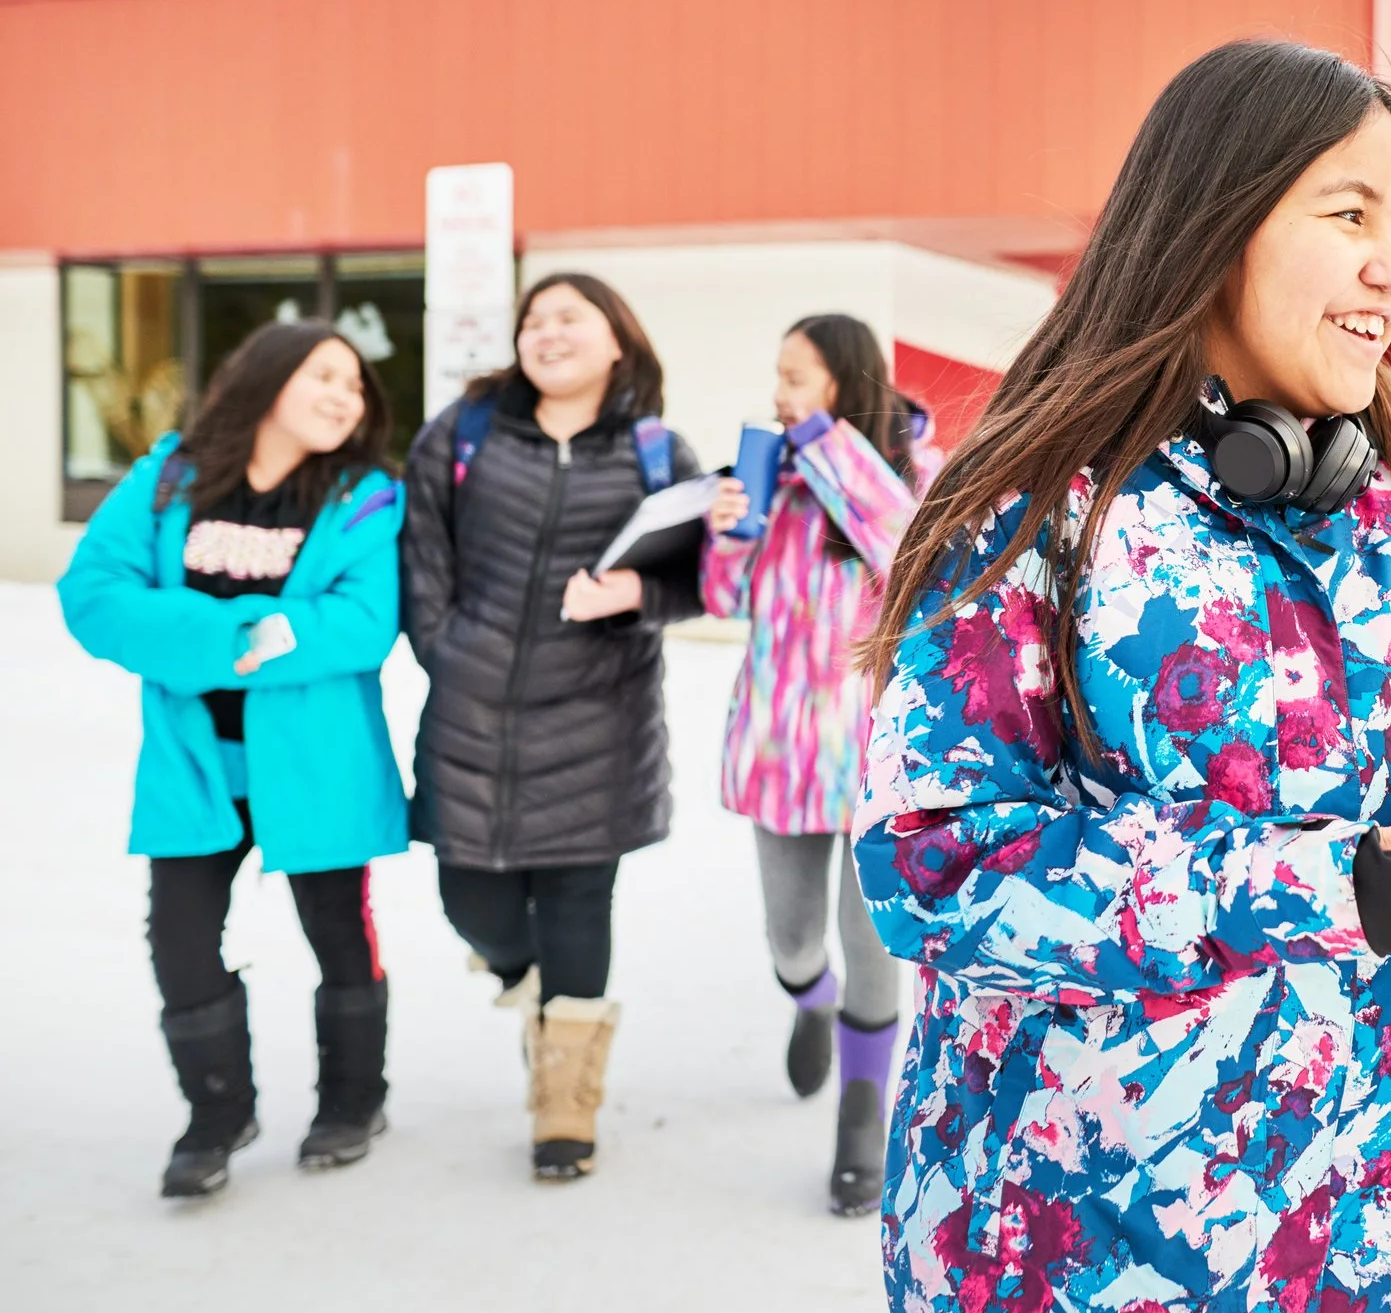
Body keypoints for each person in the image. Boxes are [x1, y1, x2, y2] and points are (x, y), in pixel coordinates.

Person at [853, 39, 1391, 1313]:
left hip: (1352, 1261)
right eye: (1350, 215)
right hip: (1072, 1279)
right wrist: (1312, 884)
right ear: (1214, 226)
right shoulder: (1036, 510)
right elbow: (933, 863)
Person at [59, 320, 405, 1198]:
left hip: (317, 763)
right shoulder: (171, 476)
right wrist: (237, 636)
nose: (343, 396)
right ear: (267, 376)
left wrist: (210, 636)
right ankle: (217, 1111)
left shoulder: (364, 496)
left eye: (355, 385)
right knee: (178, 938)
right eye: (324, 375)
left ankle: (355, 1098)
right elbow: (93, 594)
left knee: (338, 929)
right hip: (196, 761)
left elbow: (363, 623)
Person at [400, 272, 704, 1182]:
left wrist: (637, 592)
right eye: (534, 318)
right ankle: (523, 980)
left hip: (599, 718)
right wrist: (446, 647)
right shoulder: (462, 433)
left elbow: (701, 580)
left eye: (571, 316)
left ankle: (565, 1105)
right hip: (473, 713)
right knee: (473, 902)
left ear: (617, 338)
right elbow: (423, 553)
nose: (548, 331)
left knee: (577, 906)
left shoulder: (658, 451)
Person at [699, 313, 934, 1214]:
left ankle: (862, 1116)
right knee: (792, 939)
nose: (779, 394)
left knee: (874, 947)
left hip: (881, 760)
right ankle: (809, 1000)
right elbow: (725, 599)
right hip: (783, 753)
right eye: (778, 375)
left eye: (795, 377)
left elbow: (909, 559)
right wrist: (730, 530)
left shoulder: (917, 473)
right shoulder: (774, 481)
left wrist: (827, 451)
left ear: (845, 382)